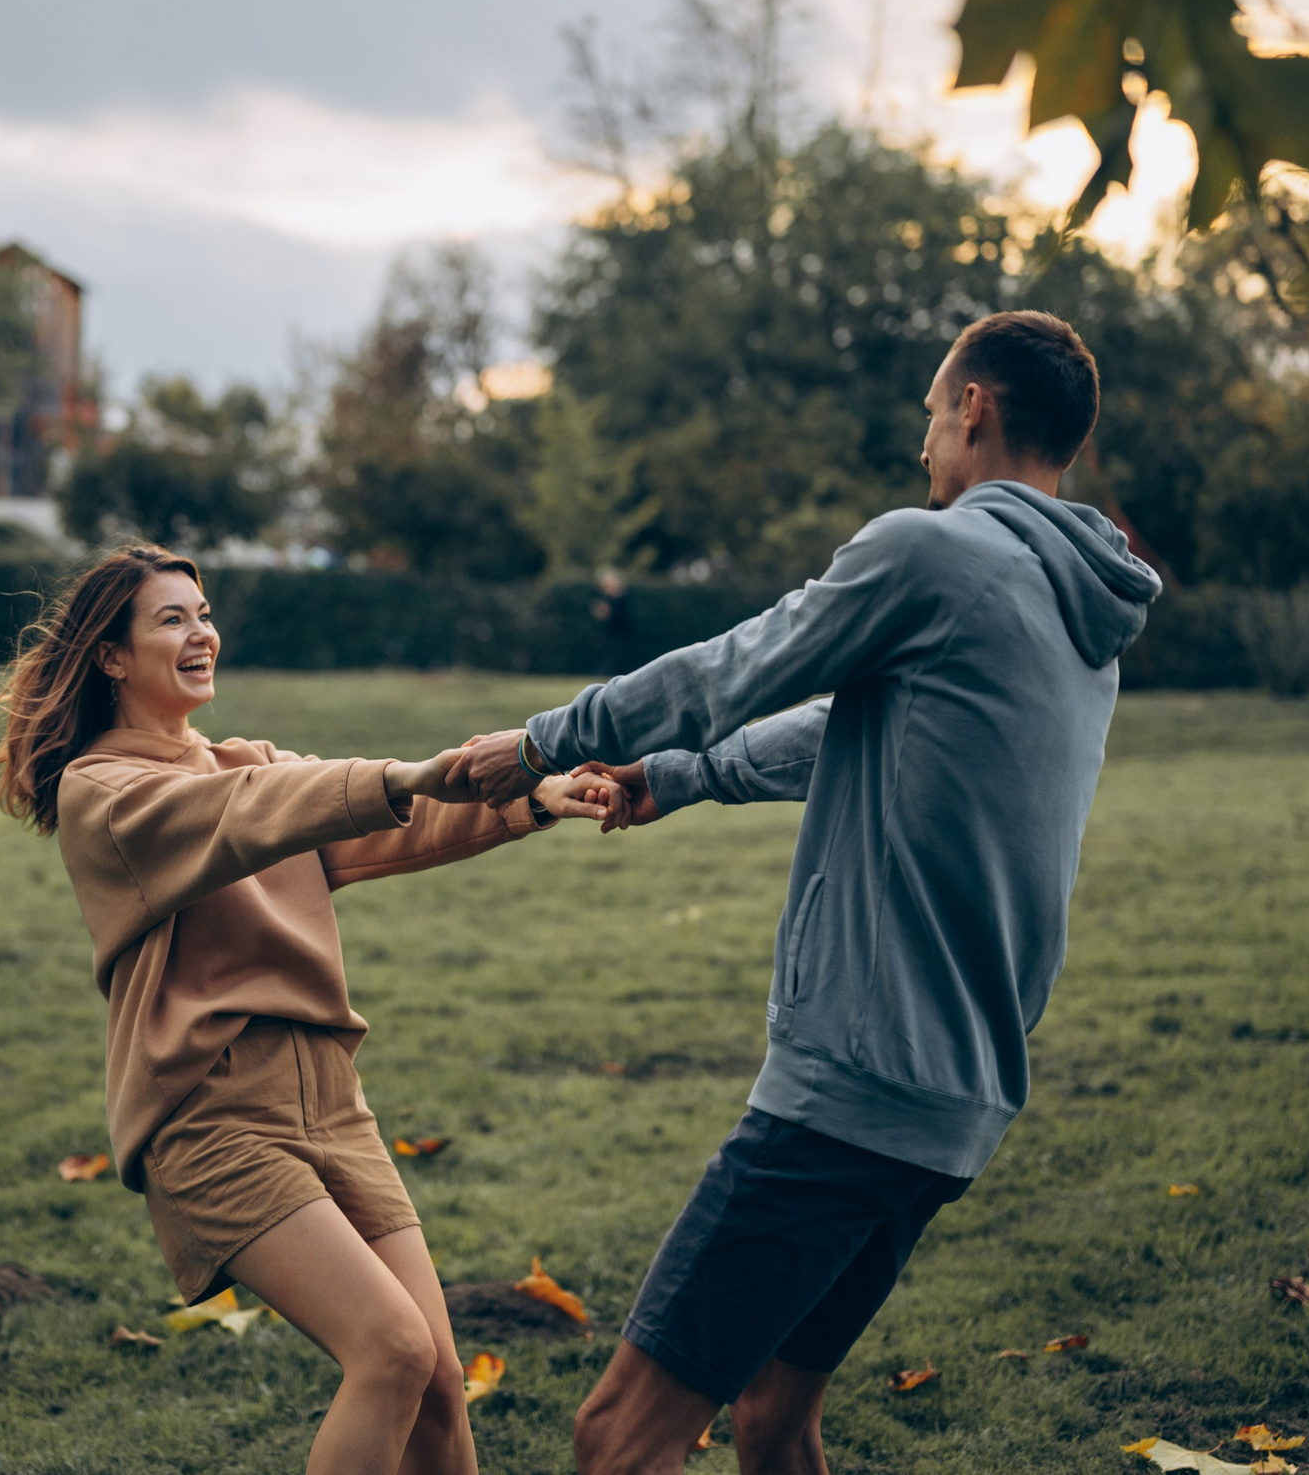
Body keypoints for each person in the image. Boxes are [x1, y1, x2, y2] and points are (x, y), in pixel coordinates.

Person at [453, 310, 1163, 1475]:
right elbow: (847, 728)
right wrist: (675, 778)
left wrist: (541, 740)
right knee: (774, 1421)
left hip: (848, 1090)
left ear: (973, 407)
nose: (923, 443)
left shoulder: (933, 552)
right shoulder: (1080, 614)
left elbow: (736, 667)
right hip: (954, 1099)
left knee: (617, 1437)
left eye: (934, 413)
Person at [0, 542, 612, 1475]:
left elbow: (368, 820)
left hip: (332, 1102)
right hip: (215, 1119)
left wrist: (532, 795)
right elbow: (252, 812)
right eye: (171, 619)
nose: (202, 634)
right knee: (390, 1351)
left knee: (438, 1383)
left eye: (203, 614)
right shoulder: (104, 794)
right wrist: (403, 774)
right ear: (110, 656)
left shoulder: (244, 764)